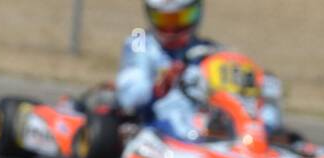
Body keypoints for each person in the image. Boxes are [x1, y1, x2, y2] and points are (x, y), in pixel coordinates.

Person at [113, 0, 282, 141]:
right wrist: (162, 83)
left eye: (181, 19)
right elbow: (130, 96)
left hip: (204, 111)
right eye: (164, 20)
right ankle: (204, 142)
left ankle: (259, 135)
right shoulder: (141, 45)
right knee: (177, 111)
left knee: (266, 87)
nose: (172, 30)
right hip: (160, 113)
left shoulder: (208, 50)